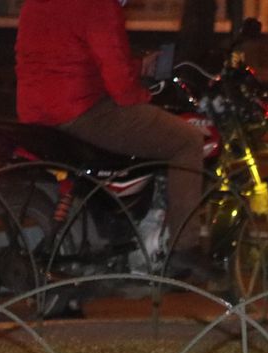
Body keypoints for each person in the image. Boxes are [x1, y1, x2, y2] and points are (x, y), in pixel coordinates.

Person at [15, 0, 211, 280]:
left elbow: (74, 55)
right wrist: (146, 96)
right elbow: (121, 87)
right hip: (81, 111)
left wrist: (136, 66)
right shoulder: (100, 5)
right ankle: (185, 248)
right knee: (187, 140)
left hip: (36, 113)